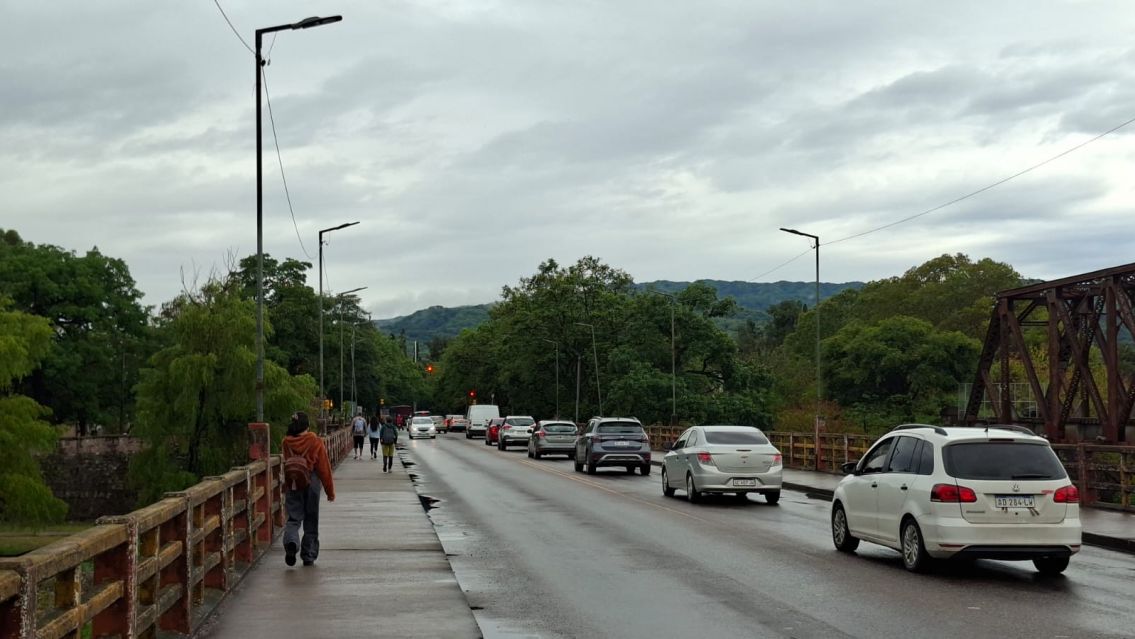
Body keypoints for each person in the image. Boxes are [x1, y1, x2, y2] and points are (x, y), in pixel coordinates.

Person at [281, 411, 335, 567]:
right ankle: (308, 554)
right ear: (307, 425)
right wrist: (330, 491)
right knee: (311, 519)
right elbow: (324, 468)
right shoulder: (315, 441)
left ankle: (291, 542)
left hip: (293, 481)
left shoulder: (286, 442)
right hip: (311, 482)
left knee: (293, 518)